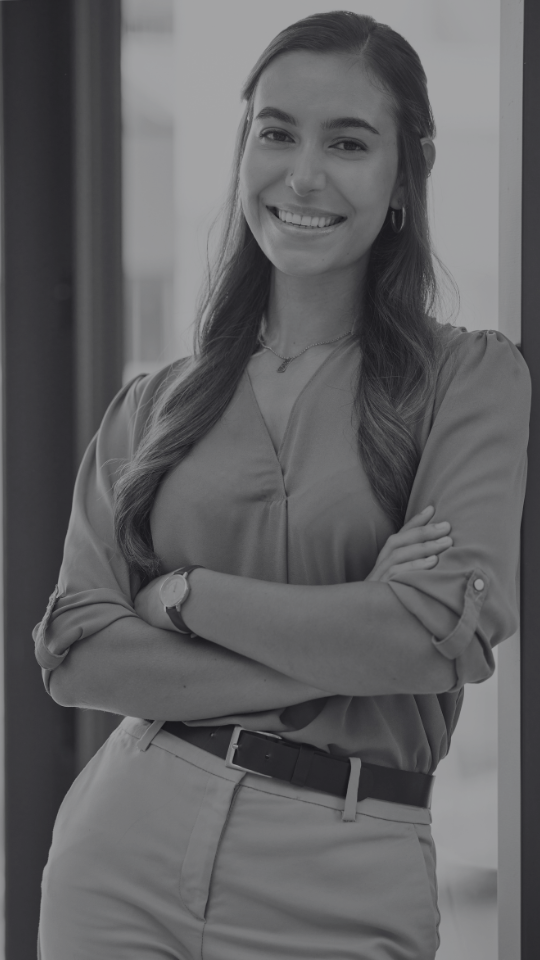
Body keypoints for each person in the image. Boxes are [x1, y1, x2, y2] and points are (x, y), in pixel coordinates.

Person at [35, 11, 530, 960]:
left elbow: (431, 635)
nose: (302, 175)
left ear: (404, 175)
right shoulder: (154, 408)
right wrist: (355, 637)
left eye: (347, 141)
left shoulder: (469, 381)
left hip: (343, 874)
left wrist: (184, 598)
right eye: (275, 132)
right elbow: (75, 654)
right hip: (125, 852)